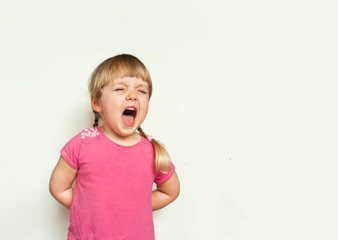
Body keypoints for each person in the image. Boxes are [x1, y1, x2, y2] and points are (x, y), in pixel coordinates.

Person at [49, 54, 180, 240]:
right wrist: (90, 209)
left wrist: (130, 209)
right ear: (96, 103)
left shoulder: (152, 150)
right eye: (120, 89)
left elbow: (170, 191)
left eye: (142, 91)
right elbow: (58, 187)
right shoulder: (82, 143)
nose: (133, 96)